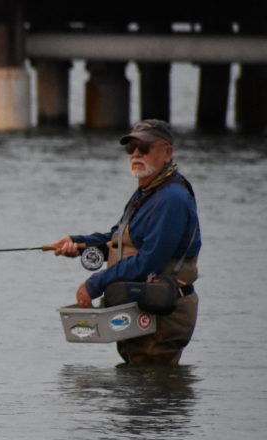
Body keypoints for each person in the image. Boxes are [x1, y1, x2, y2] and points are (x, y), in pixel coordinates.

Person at [49, 119, 201, 366]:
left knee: (151, 391)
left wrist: (95, 284)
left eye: (145, 148)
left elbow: (149, 260)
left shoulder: (171, 199)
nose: (136, 154)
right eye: (131, 148)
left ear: (167, 153)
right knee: (136, 387)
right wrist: (78, 244)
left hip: (163, 313)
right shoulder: (148, 191)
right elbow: (117, 238)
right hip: (139, 309)